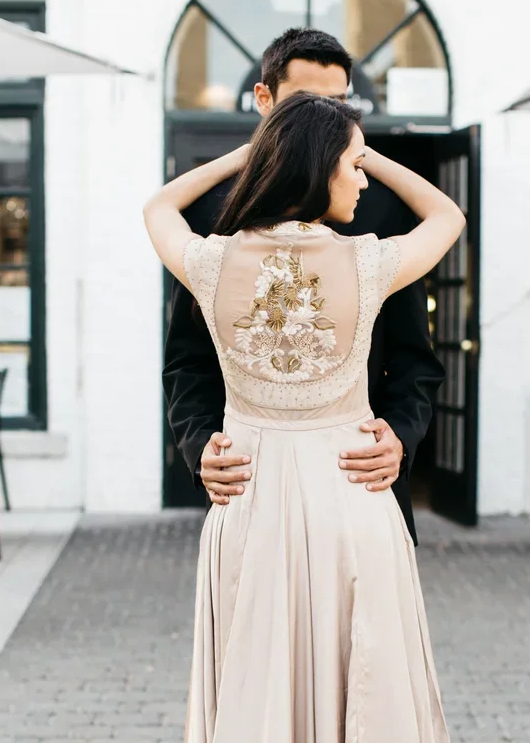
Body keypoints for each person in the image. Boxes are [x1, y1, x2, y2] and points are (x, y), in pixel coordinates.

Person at [143, 92, 496, 743]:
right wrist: (367, 158)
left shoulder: (215, 261)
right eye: (348, 164)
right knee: (368, 723)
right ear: (320, 168)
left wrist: (250, 157)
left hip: (252, 504)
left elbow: (156, 208)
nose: (359, 177)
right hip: (347, 506)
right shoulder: (364, 261)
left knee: (258, 727)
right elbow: (450, 217)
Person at [163, 28, 445, 538]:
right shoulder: (213, 209)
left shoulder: (382, 205)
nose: (326, 118)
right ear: (264, 99)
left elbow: (414, 357)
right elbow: (188, 356)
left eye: (338, 103)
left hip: (361, 481)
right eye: (307, 102)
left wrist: (400, 438)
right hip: (253, 485)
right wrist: (199, 441)